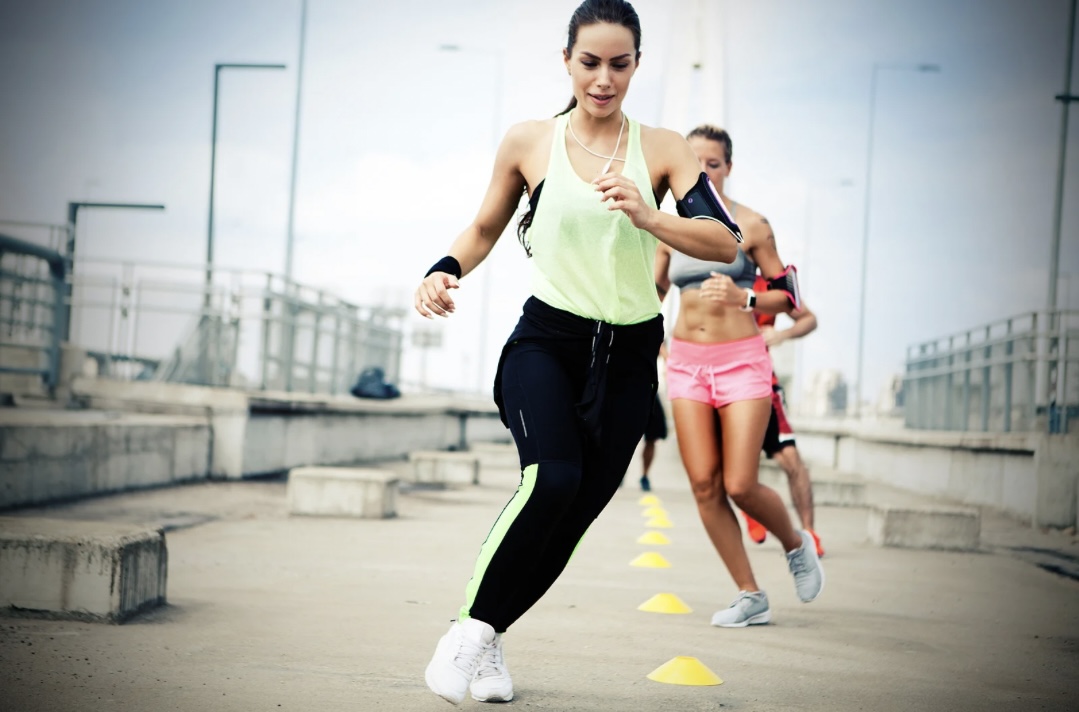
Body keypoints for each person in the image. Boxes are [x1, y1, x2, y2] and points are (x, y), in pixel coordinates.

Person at [414, 2, 742, 703]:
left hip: (628, 353)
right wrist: (442, 269)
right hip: (547, 341)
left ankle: (490, 642)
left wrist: (649, 213)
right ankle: (465, 636)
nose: (603, 78)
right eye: (589, 62)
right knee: (551, 480)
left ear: (636, 66)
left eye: (618, 64)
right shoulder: (530, 141)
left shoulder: (662, 149)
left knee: (576, 515)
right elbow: (482, 227)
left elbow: (723, 242)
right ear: (566, 60)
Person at [654, 124, 824, 629]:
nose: (703, 171)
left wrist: (745, 297)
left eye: (713, 163)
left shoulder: (751, 224)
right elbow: (653, 293)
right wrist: (647, 345)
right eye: (694, 161)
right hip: (685, 364)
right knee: (705, 485)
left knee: (741, 483)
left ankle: (795, 545)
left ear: (728, 168)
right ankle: (750, 594)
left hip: (742, 362)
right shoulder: (671, 226)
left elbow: (790, 299)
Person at [741, 280, 825, 557]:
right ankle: (749, 507)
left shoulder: (773, 277)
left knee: (792, 460)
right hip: (716, 378)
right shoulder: (714, 260)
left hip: (763, 379)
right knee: (730, 463)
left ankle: (810, 533)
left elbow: (810, 319)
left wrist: (782, 334)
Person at [638, 342, 668, 492]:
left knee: (652, 437)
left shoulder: (655, 334)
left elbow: (667, 357)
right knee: (618, 437)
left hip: (650, 392)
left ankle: (644, 475)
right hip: (627, 390)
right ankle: (617, 472)